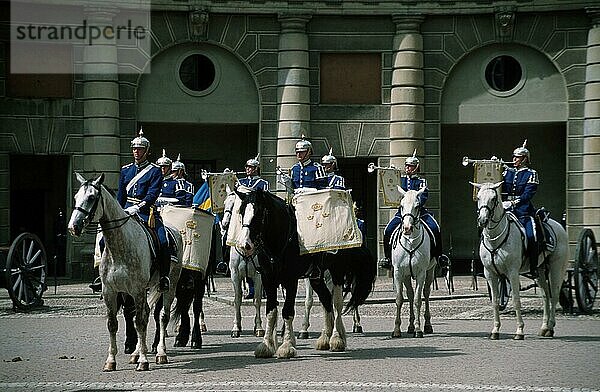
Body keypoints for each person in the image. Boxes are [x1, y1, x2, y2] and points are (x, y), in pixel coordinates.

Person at [117, 129, 171, 292]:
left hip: (147, 213)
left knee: (163, 241)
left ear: (147, 151)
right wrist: (119, 211)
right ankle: (102, 275)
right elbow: (121, 195)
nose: (136, 152)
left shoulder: (154, 171)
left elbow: (153, 193)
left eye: (140, 149)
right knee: (104, 240)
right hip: (126, 212)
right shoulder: (126, 170)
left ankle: (163, 277)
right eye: (134, 148)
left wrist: (138, 207)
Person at [379, 150, 442, 270]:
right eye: (407, 166)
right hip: (403, 213)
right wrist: (389, 174)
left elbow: (423, 197)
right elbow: (392, 191)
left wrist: (414, 204)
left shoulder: (421, 181)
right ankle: (387, 258)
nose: (408, 168)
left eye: (411, 166)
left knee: (435, 228)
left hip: (419, 212)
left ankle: (439, 256)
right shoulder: (401, 180)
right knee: (388, 230)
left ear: (416, 167)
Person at [501, 140, 539, 278]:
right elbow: (499, 185)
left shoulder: (531, 173)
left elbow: (528, 194)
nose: (514, 159)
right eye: (514, 157)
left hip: (523, 210)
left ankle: (533, 266)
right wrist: (495, 166)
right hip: (506, 209)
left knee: (531, 235)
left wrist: (513, 203)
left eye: (517, 157)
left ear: (524, 159)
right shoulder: (507, 172)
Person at [236, 154, 269, 299]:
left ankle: (265, 286)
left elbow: (264, 199)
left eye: (250, 167)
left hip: (256, 220)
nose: (248, 169)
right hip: (242, 218)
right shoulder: (241, 182)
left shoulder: (262, 183)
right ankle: (225, 262)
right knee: (228, 236)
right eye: (247, 167)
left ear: (256, 169)